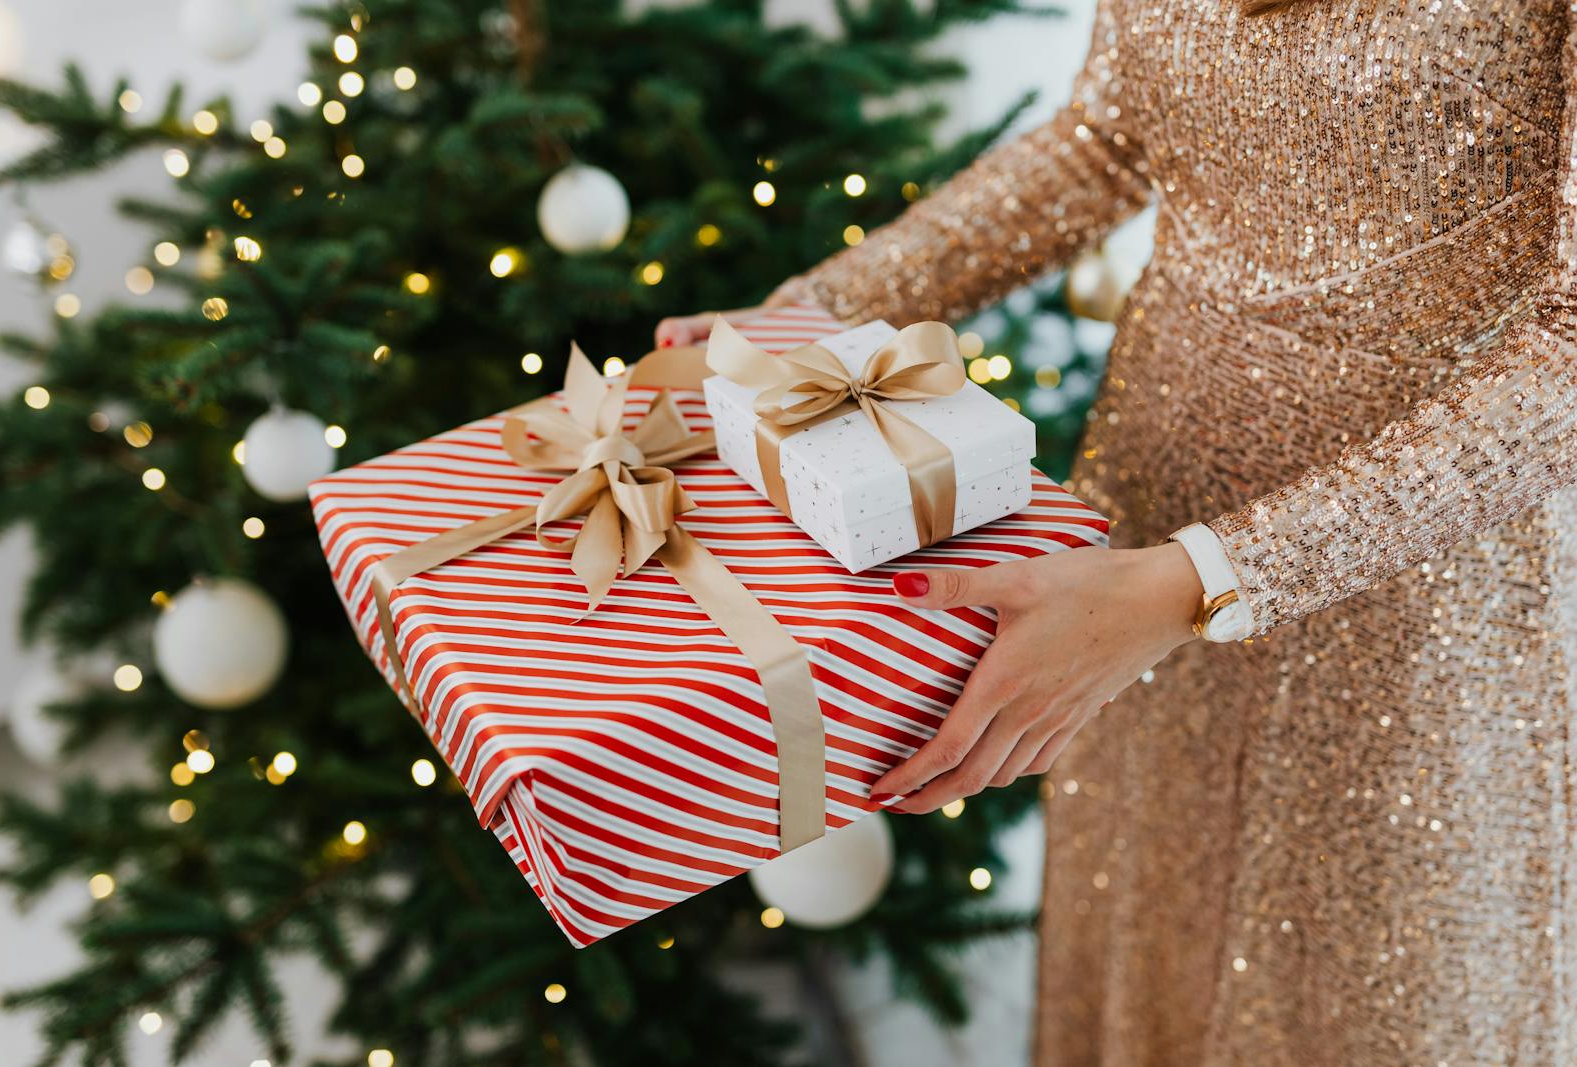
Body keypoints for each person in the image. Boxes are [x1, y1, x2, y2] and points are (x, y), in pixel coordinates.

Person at [658, 0, 1577, 1063]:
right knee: (1153, 926)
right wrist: (811, 318)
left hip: (1421, 571)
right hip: (1148, 493)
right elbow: (1102, 141)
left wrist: (1205, 579)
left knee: (1373, 981)